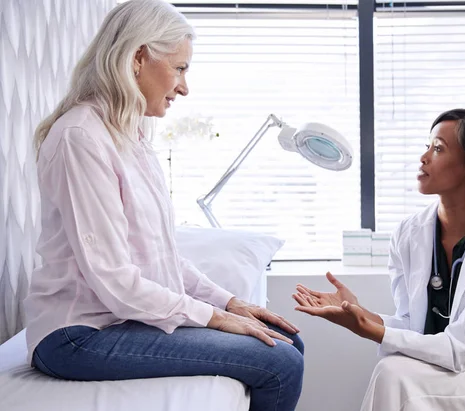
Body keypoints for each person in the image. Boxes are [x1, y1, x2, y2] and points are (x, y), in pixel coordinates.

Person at [24, 1, 303, 410]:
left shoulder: (131, 138)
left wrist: (229, 302)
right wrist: (215, 319)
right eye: (180, 68)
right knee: (280, 364)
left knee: (287, 340)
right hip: (76, 335)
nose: (185, 87)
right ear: (138, 57)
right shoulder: (81, 138)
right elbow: (116, 280)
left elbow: (160, 256)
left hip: (116, 321)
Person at [293, 109, 465, 411]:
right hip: (434, 371)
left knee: (393, 373)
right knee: (394, 373)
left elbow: (460, 349)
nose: (423, 157)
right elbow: (412, 324)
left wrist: (368, 328)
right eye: (427, 145)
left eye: (438, 148)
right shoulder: (408, 234)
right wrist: (359, 313)